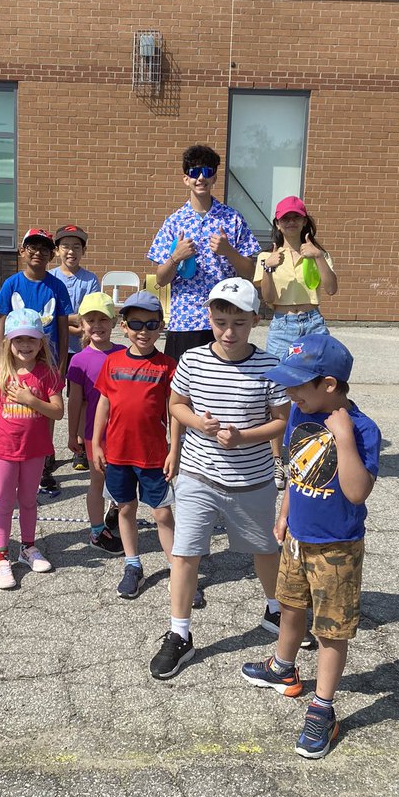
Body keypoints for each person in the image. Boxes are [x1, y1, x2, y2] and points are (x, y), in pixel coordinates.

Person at [240, 335, 380, 760]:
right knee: (290, 605)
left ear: (331, 384)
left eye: (299, 384)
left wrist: (344, 441)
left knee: (331, 629)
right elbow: (298, 470)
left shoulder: (360, 429)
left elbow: (357, 492)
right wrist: (285, 511)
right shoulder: (302, 410)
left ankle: (323, 707)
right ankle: (283, 668)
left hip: (336, 548)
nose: (291, 392)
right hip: (298, 537)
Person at [149, 279, 289, 680]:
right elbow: (176, 404)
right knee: (185, 555)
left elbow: (281, 420)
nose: (229, 332)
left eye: (239, 323)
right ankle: (180, 633)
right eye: (221, 320)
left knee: (264, 549)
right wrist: (199, 423)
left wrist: (244, 436)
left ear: (255, 321)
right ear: (209, 317)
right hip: (198, 476)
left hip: (252, 479)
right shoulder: (192, 360)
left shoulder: (268, 366)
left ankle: (275, 610)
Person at [91, 292, 178, 599]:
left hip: (154, 455)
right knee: (125, 507)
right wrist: (97, 444)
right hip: (117, 453)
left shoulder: (167, 366)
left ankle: (176, 568)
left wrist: (174, 449)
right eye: (136, 323)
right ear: (124, 327)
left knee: (162, 513)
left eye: (151, 323)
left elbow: (175, 411)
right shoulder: (112, 362)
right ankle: (133, 565)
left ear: (161, 327)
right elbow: (104, 403)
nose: (144, 330)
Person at [254, 195, 338, 490]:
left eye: (296, 217)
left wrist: (316, 257)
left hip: (312, 320)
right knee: (278, 392)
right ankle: (279, 459)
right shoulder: (267, 257)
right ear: (277, 223)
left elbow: (331, 289)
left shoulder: (317, 252)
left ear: (304, 221)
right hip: (282, 324)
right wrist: (268, 269)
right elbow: (268, 299)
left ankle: (314, 449)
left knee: (320, 385)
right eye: (285, 218)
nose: (290, 222)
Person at [148, 145, 260, 362]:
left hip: (224, 320)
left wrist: (229, 251)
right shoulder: (174, 222)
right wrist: (175, 257)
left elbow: (250, 273)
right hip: (185, 319)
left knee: (220, 386)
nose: (201, 177)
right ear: (185, 179)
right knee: (182, 389)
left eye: (207, 172)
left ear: (214, 177)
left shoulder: (232, 219)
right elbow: (161, 280)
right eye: (194, 172)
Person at [0, 308, 65, 590]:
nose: (25, 345)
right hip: (3, 451)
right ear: (8, 343)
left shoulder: (48, 374)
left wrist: (30, 399)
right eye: (19, 340)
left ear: (41, 342)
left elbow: (57, 412)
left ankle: (27, 547)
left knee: (28, 501)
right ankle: (0, 557)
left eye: (31, 339)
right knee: (4, 503)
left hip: (35, 451)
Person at [0, 228, 71, 496]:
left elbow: (62, 327)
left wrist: (60, 366)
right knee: (17, 409)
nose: (38, 253)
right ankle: (13, 458)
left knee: (47, 409)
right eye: (32, 247)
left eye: (44, 249)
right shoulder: (12, 284)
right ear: (22, 251)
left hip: (47, 361)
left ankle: (44, 462)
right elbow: (2, 325)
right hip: (17, 359)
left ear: (52, 254)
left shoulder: (57, 285)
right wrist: (3, 363)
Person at [66, 293, 123, 554]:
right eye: (91, 320)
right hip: (94, 435)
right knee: (97, 482)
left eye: (103, 319)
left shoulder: (126, 353)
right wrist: (72, 434)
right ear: (82, 324)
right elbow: (75, 401)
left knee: (123, 482)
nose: (97, 325)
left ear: (113, 322)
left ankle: (117, 515)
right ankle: (97, 530)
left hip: (124, 433)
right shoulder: (78, 360)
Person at [50, 224, 101, 471]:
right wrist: (70, 320)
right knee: (50, 396)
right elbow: (48, 315)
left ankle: (79, 445)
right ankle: (46, 449)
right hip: (53, 349)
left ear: (84, 251)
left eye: (76, 247)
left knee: (80, 399)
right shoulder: (51, 277)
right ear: (57, 250)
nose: (71, 251)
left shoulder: (90, 279)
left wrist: (66, 320)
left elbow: (88, 316)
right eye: (66, 247)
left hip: (82, 350)